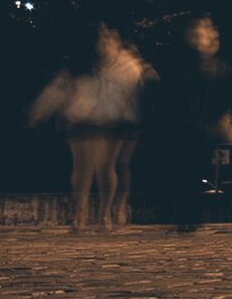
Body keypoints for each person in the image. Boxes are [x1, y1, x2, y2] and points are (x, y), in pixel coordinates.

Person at [27, 26, 147, 233]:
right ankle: (80, 214)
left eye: (109, 39)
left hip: (110, 122)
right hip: (83, 120)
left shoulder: (127, 67)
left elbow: (134, 94)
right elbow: (58, 89)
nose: (104, 43)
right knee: (82, 168)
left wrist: (132, 117)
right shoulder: (79, 65)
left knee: (104, 167)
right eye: (101, 39)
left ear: (115, 41)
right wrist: (39, 112)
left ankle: (104, 213)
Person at [141, 18, 232, 231]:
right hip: (183, 124)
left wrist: (223, 119)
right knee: (183, 170)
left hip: (200, 125)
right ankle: (186, 216)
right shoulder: (183, 63)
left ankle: (188, 217)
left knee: (190, 170)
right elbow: (168, 90)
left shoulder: (217, 67)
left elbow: (227, 95)